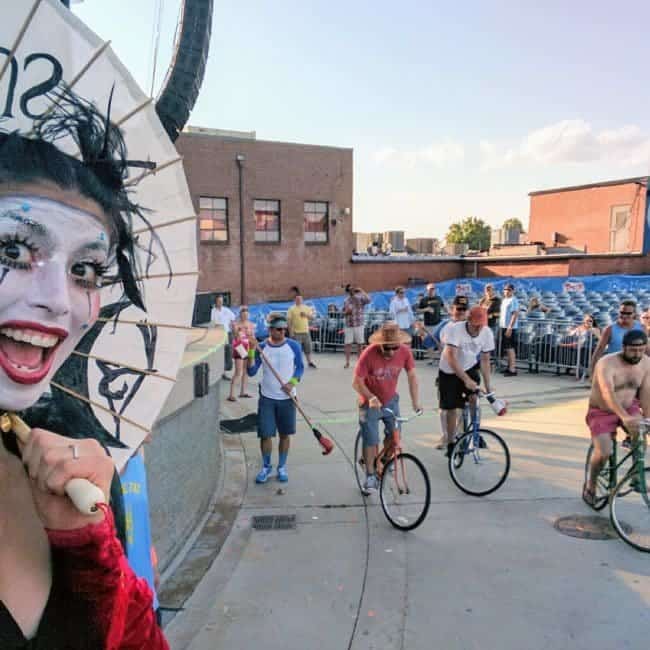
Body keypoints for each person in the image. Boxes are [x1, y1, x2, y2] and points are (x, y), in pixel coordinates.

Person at [0, 89, 167, 647]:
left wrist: (87, 547)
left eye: (86, 270)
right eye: (13, 252)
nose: (59, 302)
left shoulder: (76, 467)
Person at [352, 322, 421, 494]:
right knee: (371, 438)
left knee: (395, 436)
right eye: (387, 348)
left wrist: (415, 401)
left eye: (394, 348)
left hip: (390, 400)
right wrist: (371, 398)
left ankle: (382, 460)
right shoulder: (369, 353)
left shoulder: (404, 352)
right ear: (380, 344)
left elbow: (412, 375)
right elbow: (356, 382)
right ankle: (369, 475)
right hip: (369, 402)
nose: (391, 352)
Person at [583, 330, 650, 506]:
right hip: (602, 411)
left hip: (629, 406)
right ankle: (591, 484)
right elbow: (607, 392)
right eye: (633, 350)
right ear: (623, 347)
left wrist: (648, 418)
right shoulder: (607, 363)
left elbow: (645, 393)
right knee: (604, 452)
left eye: (641, 350)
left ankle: (636, 476)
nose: (637, 355)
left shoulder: (646, 364)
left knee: (641, 437)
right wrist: (624, 417)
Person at [247, 314, 304, 484]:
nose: (283, 332)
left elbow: (300, 368)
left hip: (287, 398)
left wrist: (291, 383)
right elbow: (251, 372)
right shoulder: (261, 347)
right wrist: (251, 350)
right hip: (267, 399)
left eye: (284, 329)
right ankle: (266, 467)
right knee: (265, 434)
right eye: (279, 329)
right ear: (270, 330)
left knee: (285, 434)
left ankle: (282, 466)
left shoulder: (293, 346)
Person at [438, 307, 495, 457]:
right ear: (468, 320)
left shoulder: (487, 333)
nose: (478, 328)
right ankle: (451, 442)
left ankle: (474, 432)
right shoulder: (454, 329)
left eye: (481, 325)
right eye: (476, 325)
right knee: (451, 408)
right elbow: (451, 357)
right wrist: (465, 379)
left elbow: (485, 360)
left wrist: (489, 386)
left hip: (469, 367)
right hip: (449, 370)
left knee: (474, 397)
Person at [414, 295, 469, 449]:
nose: (461, 312)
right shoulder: (444, 325)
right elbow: (428, 342)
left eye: (464, 310)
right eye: (458, 309)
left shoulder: (471, 327)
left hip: (465, 373)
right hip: (446, 373)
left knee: (463, 409)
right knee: (445, 409)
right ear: (452, 309)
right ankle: (446, 436)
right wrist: (420, 331)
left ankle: (463, 435)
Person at [589, 300, 643, 376]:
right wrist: (592, 371)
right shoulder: (609, 329)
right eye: (622, 312)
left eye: (628, 313)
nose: (624, 315)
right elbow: (599, 350)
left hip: (636, 372)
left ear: (634, 314)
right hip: (614, 371)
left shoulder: (642, 328)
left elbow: (646, 351)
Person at [227, 306, 256, 401]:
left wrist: (253, 346)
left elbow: (253, 337)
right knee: (238, 372)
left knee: (245, 371)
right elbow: (236, 337)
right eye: (243, 314)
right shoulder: (236, 324)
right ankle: (231, 394)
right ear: (240, 315)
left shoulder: (251, 324)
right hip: (240, 347)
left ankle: (243, 391)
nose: (245, 316)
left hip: (248, 346)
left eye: (246, 314)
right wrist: (240, 331)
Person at [343, 284, 370, 369]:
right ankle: (347, 362)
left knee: (359, 343)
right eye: (349, 290)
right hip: (349, 324)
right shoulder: (346, 300)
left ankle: (360, 362)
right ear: (348, 292)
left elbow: (369, 300)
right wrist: (346, 312)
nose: (351, 291)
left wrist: (362, 290)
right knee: (348, 343)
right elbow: (343, 312)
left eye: (353, 290)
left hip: (359, 324)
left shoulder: (360, 298)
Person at [287, 294, 317, 369]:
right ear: (295, 300)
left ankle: (309, 362)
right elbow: (289, 321)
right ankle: (296, 363)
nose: (299, 300)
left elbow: (313, 318)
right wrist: (290, 332)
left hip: (306, 332)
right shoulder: (291, 309)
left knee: (308, 348)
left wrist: (306, 315)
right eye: (297, 299)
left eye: (300, 299)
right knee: (297, 349)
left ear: (302, 300)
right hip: (296, 332)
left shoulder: (306, 308)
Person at [417, 283, 444, 364]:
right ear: (427, 290)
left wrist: (449, 311)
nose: (431, 290)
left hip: (438, 323)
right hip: (428, 324)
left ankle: (443, 359)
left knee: (440, 341)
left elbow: (443, 306)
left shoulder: (439, 298)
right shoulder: (424, 300)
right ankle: (431, 359)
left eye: (433, 289)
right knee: (429, 342)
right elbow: (418, 310)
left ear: (435, 290)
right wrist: (426, 309)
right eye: (430, 289)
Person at [499, 283, 520, 376]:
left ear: (512, 291)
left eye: (509, 289)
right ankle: (509, 367)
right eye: (505, 289)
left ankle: (512, 369)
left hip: (510, 327)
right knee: (507, 348)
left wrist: (510, 327)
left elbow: (515, 314)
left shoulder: (513, 300)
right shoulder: (504, 300)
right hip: (503, 326)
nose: (506, 291)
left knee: (510, 348)